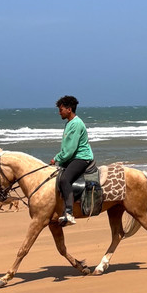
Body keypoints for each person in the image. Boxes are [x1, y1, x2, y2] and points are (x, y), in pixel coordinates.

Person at [49, 95, 93, 227]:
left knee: (64, 179)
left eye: (61, 109)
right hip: (73, 157)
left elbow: (70, 150)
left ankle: (69, 213)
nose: (59, 112)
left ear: (69, 109)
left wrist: (56, 159)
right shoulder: (69, 123)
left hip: (81, 157)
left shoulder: (76, 124)